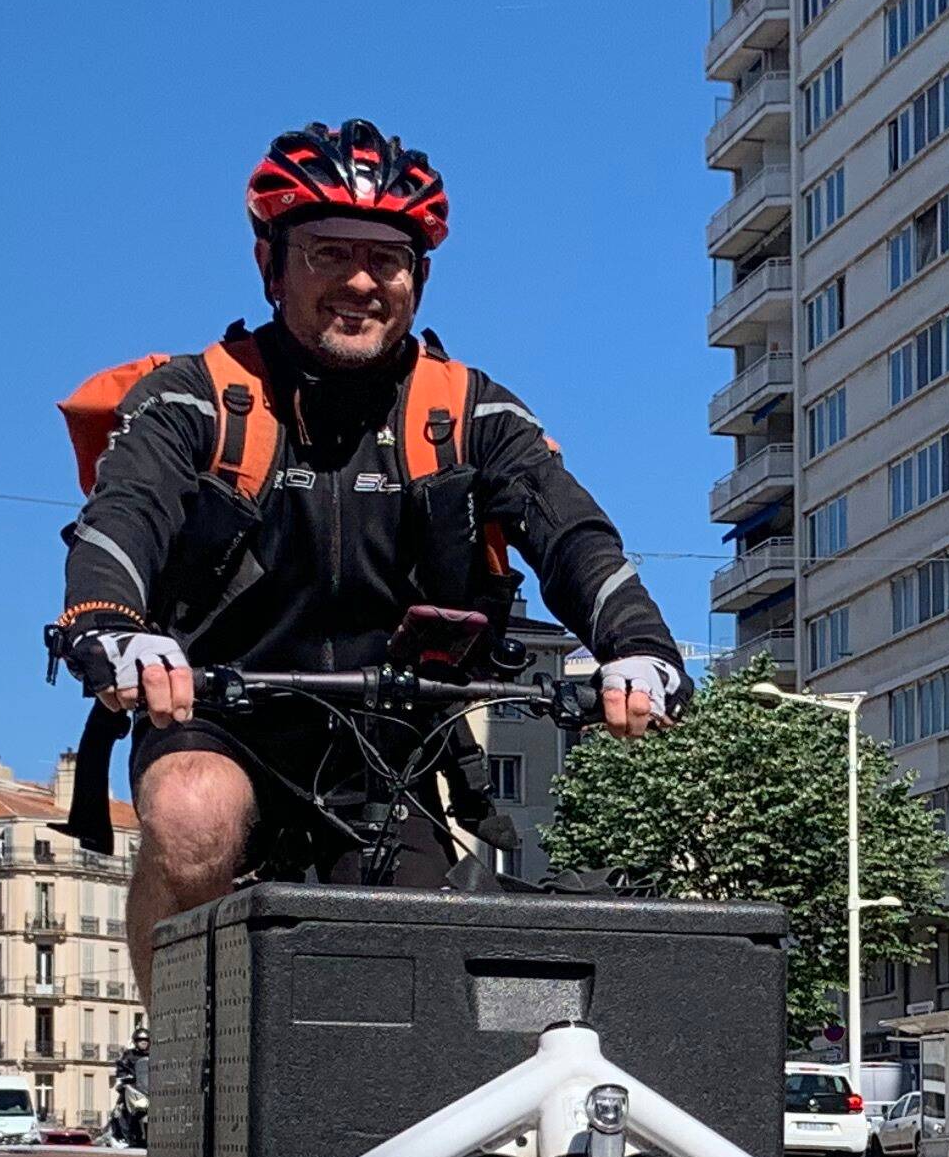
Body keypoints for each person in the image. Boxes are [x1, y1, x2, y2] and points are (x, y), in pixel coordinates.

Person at [46, 120, 687, 953]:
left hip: (390, 740)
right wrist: (107, 623)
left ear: (418, 278)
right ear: (271, 265)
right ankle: (174, 1033)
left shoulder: (470, 412)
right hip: (215, 713)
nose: (360, 280)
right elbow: (123, 515)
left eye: (386, 260)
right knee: (193, 813)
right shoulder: (194, 398)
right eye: (328, 253)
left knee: (414, 966)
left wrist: (639, 648)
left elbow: (573, 535)